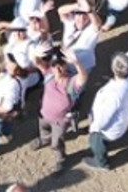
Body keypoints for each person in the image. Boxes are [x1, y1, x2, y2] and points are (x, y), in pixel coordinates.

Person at [32, 47, 88, 175]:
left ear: (65, 64)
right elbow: (38, 62)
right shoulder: (49, 75)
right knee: (44, 130)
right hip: (43, 115)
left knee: (57, 142)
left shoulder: (71, 82)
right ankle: (44, 139)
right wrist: (35, 54)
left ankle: (60, 158)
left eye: (60, 65)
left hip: (60, 122)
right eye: (54, 66)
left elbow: (83, 77)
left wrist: (77, 63)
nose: (57, 69)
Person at [86, 53, 128, 170]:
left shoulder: (114, 94)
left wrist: (94, 126)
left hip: (108, 129)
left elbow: (104, 118)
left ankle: (101, 162)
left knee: (95, 141)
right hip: (123, 119)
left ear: (113, 69)